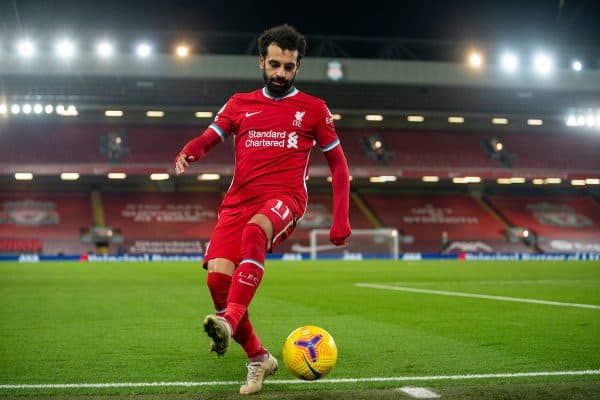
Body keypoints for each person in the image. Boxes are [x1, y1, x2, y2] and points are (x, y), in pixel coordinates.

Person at [174, 24, 351, 395]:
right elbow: (210, 137)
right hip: (238, 201)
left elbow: (339, 166)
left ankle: (230, 318)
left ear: (297, 67)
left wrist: (340, 218)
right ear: (261, 62)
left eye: (289, 67)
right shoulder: (239, 103)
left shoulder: (314, 109)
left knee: (255, 233)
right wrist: (190, 150)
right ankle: (259, 358)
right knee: (217, 281)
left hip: (285, 197)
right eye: (275, 65)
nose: (281, 74)